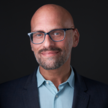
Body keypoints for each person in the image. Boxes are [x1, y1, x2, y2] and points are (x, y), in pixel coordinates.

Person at [0, 4, 108, 108]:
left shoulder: (104, 96)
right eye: (38, 34)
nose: (47, 44)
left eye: (57, 33)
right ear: (31, 43)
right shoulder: (4, 96)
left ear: (75, 38)